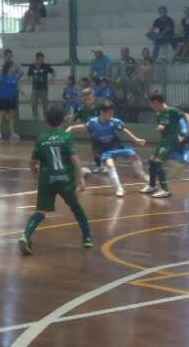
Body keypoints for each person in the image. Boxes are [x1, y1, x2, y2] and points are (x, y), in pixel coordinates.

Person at [18, 105, 92, 255]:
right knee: (76, 208)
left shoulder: (41, 139)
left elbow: (33, 163)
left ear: (46, 120)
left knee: (40, 212)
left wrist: (35, 170)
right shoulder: (66, 137)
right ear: (63, 119)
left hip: (47, 180)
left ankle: (25, 235)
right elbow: (74, 158)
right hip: (65, 179)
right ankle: (87, 238)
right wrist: (81, 177)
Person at [67, 100, 148, 197]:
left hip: (118, 147)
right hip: (106, 151)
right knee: (110, 165)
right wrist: (71, 128)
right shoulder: (93, 122)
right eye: (109, 113)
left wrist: (136, 139)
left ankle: (150, 183)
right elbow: (84, 126)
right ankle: (119, 188)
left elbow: (124, 130)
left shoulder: (115, 122)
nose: (111, 115)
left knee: (136, 163)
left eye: (112, 113)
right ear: (102, 112)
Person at [140, 93, 189, 198]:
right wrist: (160, 128)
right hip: (164, 140)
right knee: (151, 160)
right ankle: (152, 185)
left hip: (171, 141)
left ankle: (165, 190)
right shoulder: (159, 114)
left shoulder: (172, 110)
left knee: (158, 162)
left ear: (156, 103)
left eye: (152, 104)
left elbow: (186, 115)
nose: (151, 106)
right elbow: (163, 127)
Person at [73, 88, 102, 172]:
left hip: (104, 131)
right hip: (93, 134)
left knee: (102, 149)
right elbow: (75, 117)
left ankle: (105, 165)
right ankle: (99, 165)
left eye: (89, 99)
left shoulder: (99, 107)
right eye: (85, 99)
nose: (87, 101)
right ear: (82, 99)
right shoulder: (82, 110)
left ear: (93, 97)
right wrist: (70, 118)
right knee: (94, 150)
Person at [0, 61, 21, 141]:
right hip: (2, 99)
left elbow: (16, 87)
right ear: (8, 67)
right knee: (1, 117)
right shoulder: (1, 75)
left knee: (11, 117)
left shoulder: (14, 77)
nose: (14, 68)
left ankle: (12, 134)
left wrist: (22, 92)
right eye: (12, 67)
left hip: (11, 99)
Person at [27, 52, 55, 120]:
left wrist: (52, 79)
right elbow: (28, 74)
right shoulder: (32, 66)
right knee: (33, 104)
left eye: (42, 59)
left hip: (44, 88)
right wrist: (28, 79)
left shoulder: (45, 66)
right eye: (40, 59)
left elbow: (53, 72)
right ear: (36, 59)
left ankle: (45, 118)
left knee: (45, 104)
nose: (41, 61)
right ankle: (35, 118)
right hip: (35, 88)